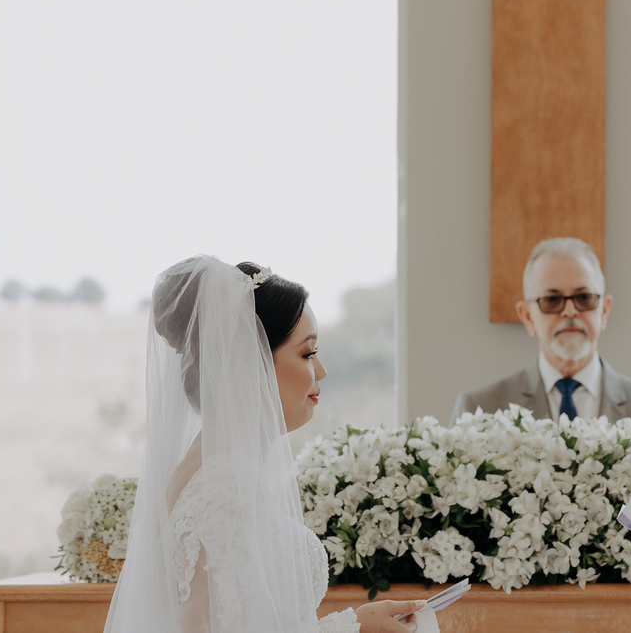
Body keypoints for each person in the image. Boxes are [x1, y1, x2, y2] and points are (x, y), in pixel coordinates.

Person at [104, 256, 427, 633]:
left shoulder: (212, 469)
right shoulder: (223, 488)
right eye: (307, 353)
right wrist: (354, 628)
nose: (321, 371)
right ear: (248, 365)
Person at [451, 237, 631, 428]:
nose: (570, 311)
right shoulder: (478, 412)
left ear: (604, 311)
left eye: (584, 297)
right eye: (551, 300)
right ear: (527, 316)